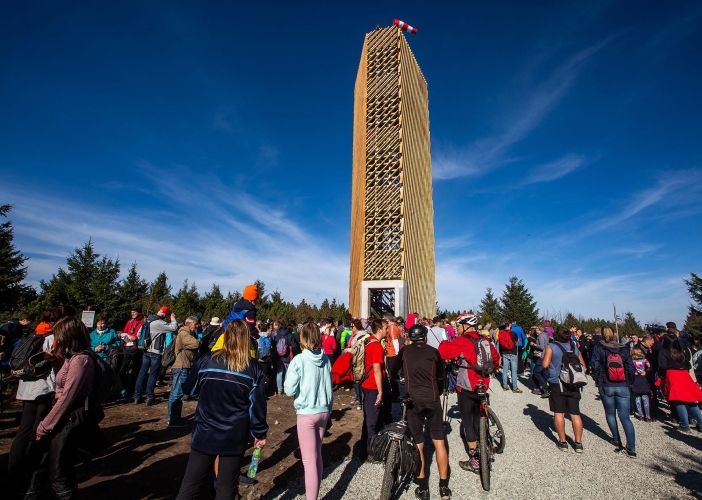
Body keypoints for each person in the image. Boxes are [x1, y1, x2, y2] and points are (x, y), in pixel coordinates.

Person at [176, 320, 268, 500]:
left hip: (205, 431)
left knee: (191, 486)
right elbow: (257, 405)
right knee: (226, 489)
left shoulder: (207, 360)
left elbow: (188, 388)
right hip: (233, 435)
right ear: (245, 339)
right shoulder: (253, 368)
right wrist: (259, 432)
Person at [32, 317, 96, 500]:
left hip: (69, 417)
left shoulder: (80, 360)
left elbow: (67, 397)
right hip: (63, 416)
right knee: (55, 465)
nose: (56, 339)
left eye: (58, 335)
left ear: (68, 336)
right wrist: (56, 362)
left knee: (60, 470)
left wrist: (44, 426)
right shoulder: (73, 357)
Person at [391, 324, 451, 500]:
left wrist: (397, 383)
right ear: (425, 337)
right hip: (432, 398)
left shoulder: (405, 352)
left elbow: (393, 370)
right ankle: (444, 487)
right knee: (439, 442)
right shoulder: (434, 352)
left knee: (419, 443)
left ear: (410, 337)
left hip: (412, 400)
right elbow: (441, 376)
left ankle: (423, 487)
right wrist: (437, 392)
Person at [438, 313, 500, 474]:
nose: (457, 329)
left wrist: (445, 341)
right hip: (483, 384)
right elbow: (496, 358)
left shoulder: (463, 341)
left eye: (458, 326)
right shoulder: (485, 340)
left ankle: (475, 460)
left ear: (465, 326)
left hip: (467, 385)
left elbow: (443, 353)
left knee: (468, 421)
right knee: (480, 414)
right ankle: (485, 442)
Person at [8, 309, 59, 498]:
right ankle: (31, 472)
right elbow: (52, 364)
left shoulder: (32, 334)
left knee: (24, 429)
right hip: (43, 389)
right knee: (38, 431)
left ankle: (13, 471)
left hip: (26, 387)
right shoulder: (51, 337)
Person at [284, 323, 333, 500]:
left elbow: (289, 389)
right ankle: (315, 493)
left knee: (309, 461)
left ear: (302, 337)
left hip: (307, 412)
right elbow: (329, 384)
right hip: (324, 410)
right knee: (317, 455)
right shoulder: (325, 358)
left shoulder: (299, 360)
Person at [591, 326, 637, 457]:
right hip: (623, 384)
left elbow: (594, 364)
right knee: (625, 417)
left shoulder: (599, 347)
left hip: (607, 383)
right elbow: (630, 367)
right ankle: (631, 447)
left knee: (610, 414)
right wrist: (630, 382)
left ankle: (616, 439)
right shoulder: (623, 348)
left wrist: (597, 379)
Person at [541, 326, 587, 452]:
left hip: (557, 382)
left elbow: (545, 364)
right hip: (573, 383)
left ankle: (563, 441)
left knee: (559, 412)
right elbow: (583, 365)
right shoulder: (574, 348)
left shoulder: (551, 347)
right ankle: (578, 443)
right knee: (575, 414)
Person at [360, 318, 391, 461]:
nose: (387, 330)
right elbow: (377, 370)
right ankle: (367, 452)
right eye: (386, 328)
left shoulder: (368, 341)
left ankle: (372, 447)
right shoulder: (377, 346)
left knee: (372, 417)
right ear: (379, 330)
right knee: (371, 420)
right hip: (372, 386)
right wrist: (380, 391)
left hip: (367, 384)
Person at [134, 306, 177, 406]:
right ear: (164, 314)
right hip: (156, 352)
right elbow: (174, 328)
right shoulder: (159, 323)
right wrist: (173, 318)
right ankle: (150, 396)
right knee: (153, 374)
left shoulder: (147, 320)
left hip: (146, 350)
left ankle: (137, 396)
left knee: (142, 373)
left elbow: (139, 334)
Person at [658, 337, 702, 433]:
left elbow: (662, 366)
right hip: (684, 374)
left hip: (672, 375)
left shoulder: (664, 352)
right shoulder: (681, 352)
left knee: (678, 401)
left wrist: (661, 375)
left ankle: (684, 424)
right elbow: (689, 365)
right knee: (691, 400)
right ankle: (700, 423)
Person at [168, 316, 200, 427]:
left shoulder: (185, 333)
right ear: (189, 324)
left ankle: (174, 418)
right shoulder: (184, 333)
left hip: (182, 365)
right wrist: (198, 341)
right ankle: (174, 419)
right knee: (177, 393)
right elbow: (195, 344)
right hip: (181, 366)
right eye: (195, 324)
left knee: (176, 392)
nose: (197, 326)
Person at [120, 305, 145, 403]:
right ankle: (125, 388)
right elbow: (125, 331)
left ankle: (132, 392)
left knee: (135, 371)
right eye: (131, 312)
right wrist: (124, 336)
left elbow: (142, 334)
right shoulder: (130, 321)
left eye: (134, 312)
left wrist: (136, 338)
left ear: (139, 312)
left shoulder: (144, 321)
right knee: (122, 370)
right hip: (127, 347)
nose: (132, 313)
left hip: (137, 349)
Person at [272, 319, 297, 396]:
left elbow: (273, 345)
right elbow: (294, 346)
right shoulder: (289, 334)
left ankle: (279, 389)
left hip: (278, 356)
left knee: (279, 372)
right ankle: (286, 388)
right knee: (287, 372)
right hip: (287, 356)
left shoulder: (276, 334)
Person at [498, 322, 521, 393]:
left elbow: (500, 344)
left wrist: (500, 354)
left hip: (504, 353)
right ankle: (514, 387)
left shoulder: (500, 334)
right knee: (513, 370)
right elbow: (517, 341)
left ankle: (504, 385)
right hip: (512, 352)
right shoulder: (513, 333)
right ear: (509, 326)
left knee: (505, 370)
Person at [631, 347, 652, 422]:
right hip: (643, 379)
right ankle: (648, 416)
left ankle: (641, 415)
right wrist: (646, 371)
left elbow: (630, 369)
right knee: (645, 398)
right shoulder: (645, 361)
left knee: (637, 398)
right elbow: (650, 367)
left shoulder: (632, 362)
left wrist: (634, 372)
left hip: (636, 379)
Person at [383, 313, 401, 399]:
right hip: (390, 352)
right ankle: (394, 392)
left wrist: (397, 354)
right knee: (391, 373)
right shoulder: (390, 327)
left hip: (392, 353)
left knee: (392, 374)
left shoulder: (393, 327)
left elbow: (395, 340)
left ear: (388, 320)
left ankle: (395, 394)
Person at [529, 325, 549, 397]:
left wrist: (534, 344)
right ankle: (546, 388)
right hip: (545, 356)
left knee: (536, 372)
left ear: (539, 329)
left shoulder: (540, 336)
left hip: (541, 356)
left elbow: (541, 346)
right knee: (544, 373)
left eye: (536, 328)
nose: (535, 330)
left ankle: (543, 388)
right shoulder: (546, 335)